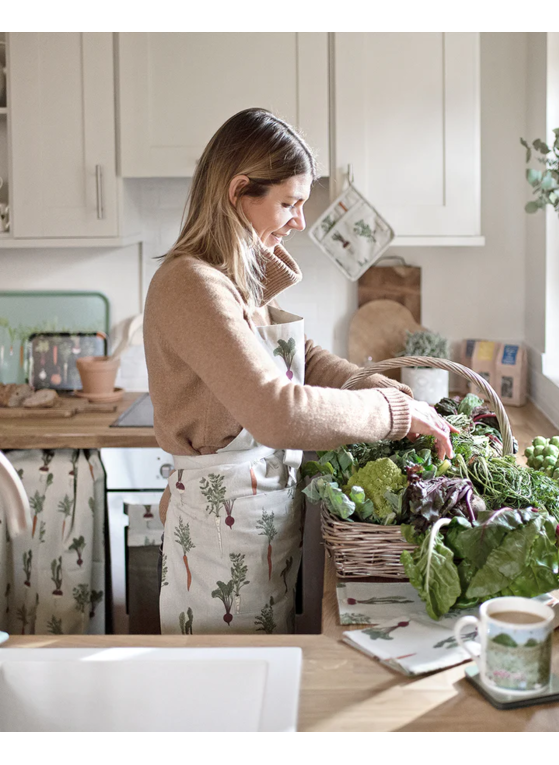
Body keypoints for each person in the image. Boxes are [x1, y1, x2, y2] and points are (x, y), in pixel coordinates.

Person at [143, 108, 455, 636]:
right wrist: (393, 413)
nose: (300, 222)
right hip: (223, 538)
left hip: (253, 521)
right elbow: (277, 411)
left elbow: (301, 359)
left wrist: (382, 388)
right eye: (288, 203)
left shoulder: (230, 278)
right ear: (240, 191)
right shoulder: (191, 285)